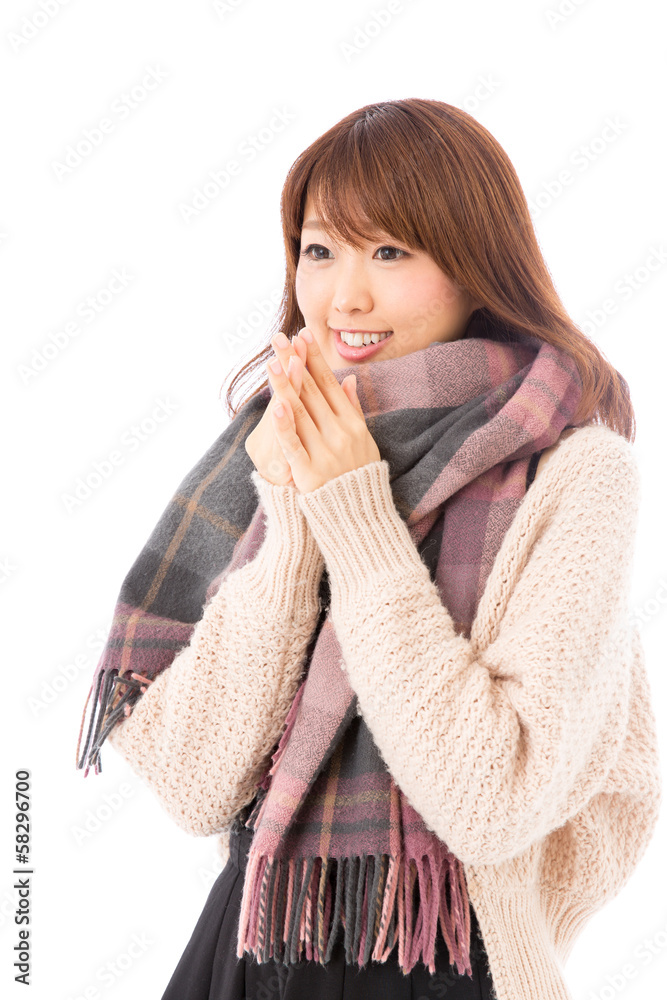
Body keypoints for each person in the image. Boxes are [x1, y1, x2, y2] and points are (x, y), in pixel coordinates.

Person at [75, 98, 661, 1000]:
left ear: (474, 266)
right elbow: (196, 784)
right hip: (251, 948)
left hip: (448, 964)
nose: (343, 296)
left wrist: (354, 516)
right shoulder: (285, 448)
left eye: (389, 252)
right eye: (319, 250)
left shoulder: (578, 476)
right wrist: (297, 519)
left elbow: (486, 799)